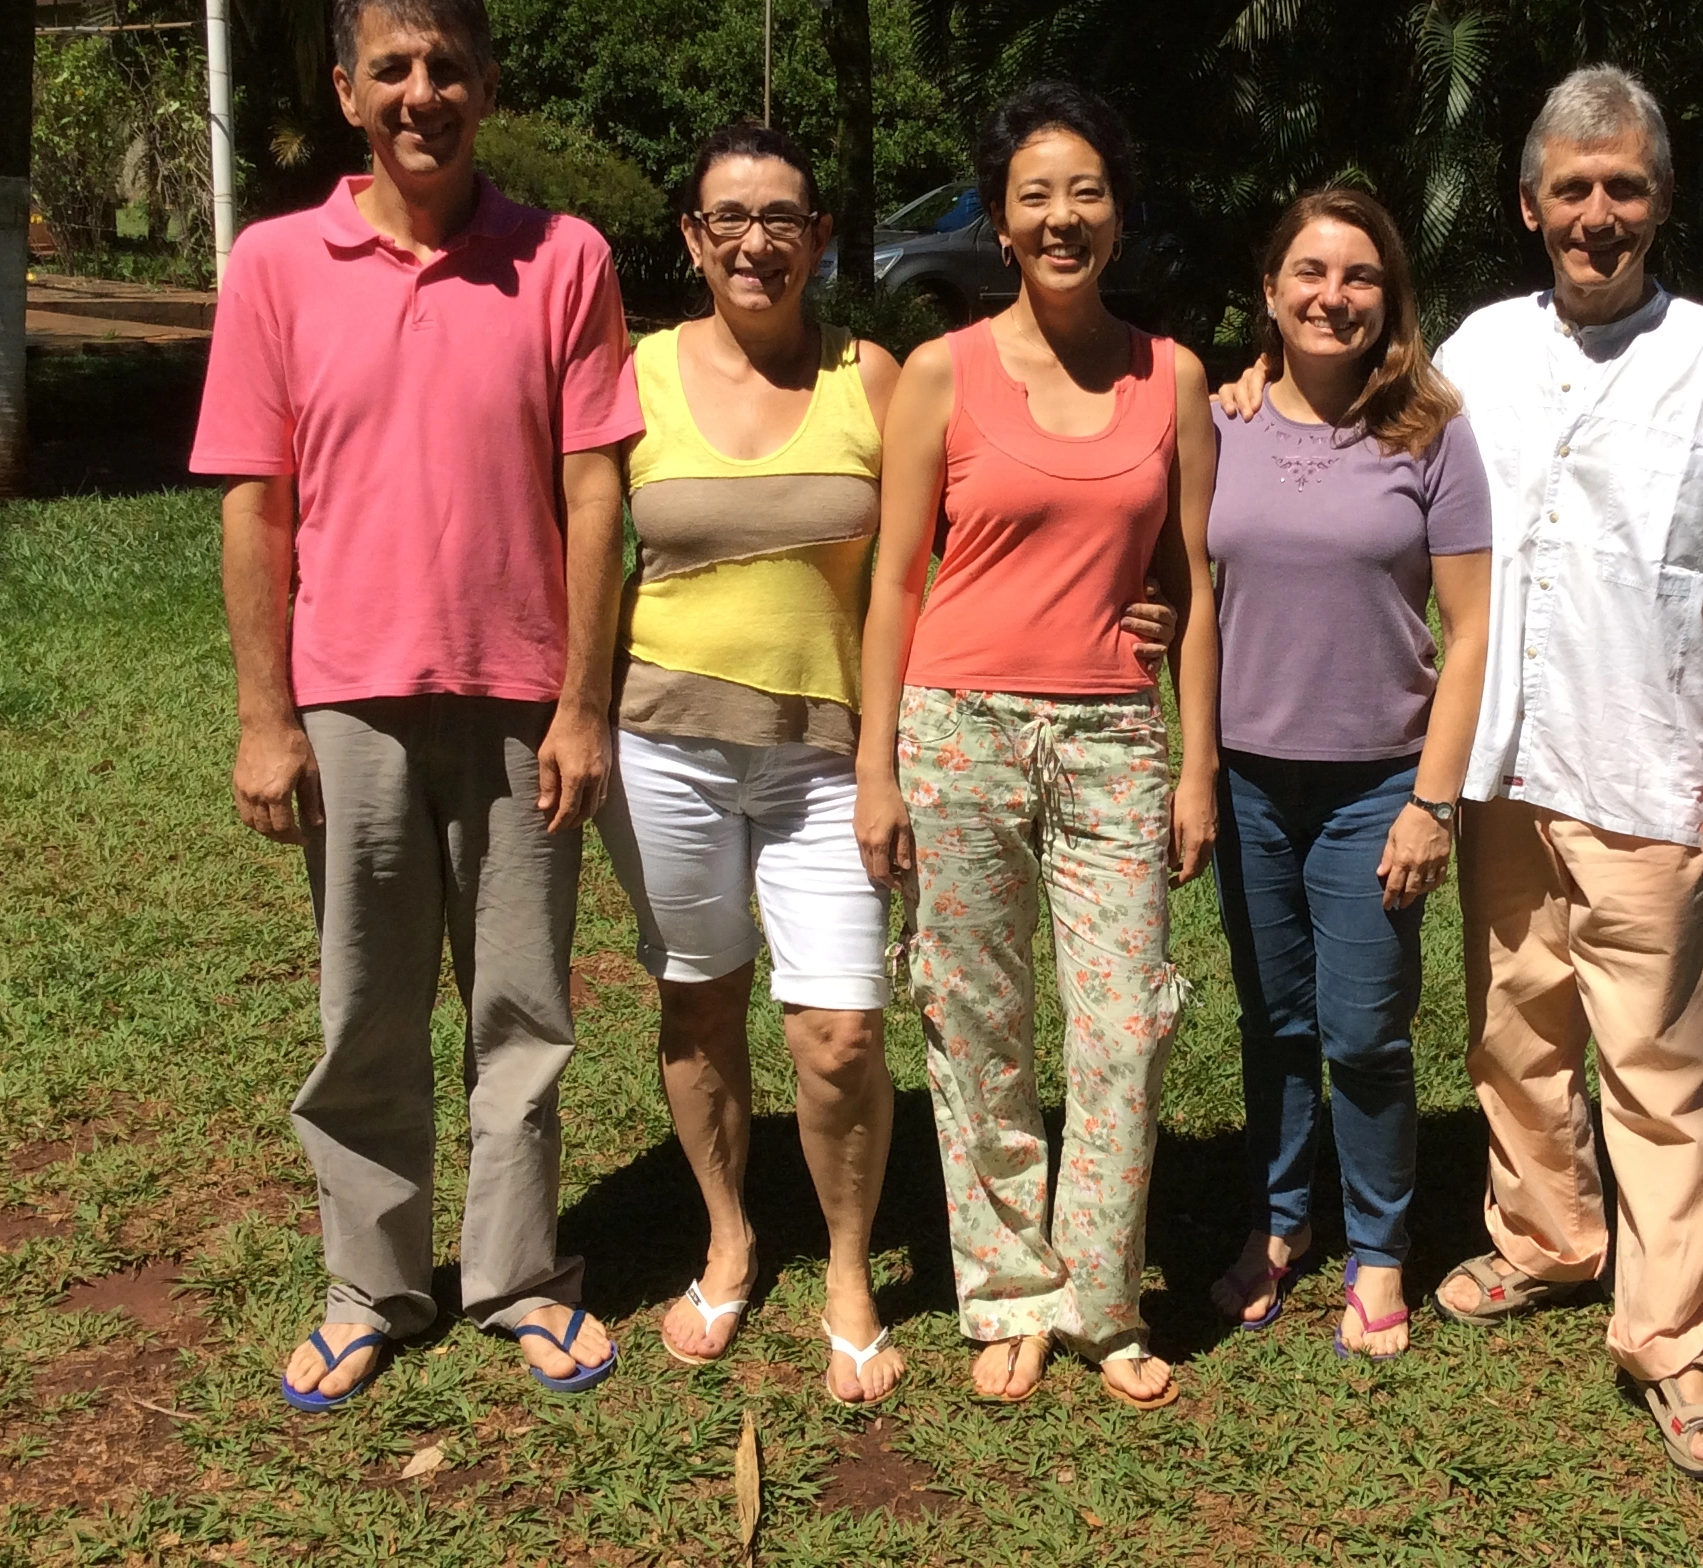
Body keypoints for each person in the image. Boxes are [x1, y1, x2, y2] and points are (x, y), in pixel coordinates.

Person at [1223, 64, 1703, 1478]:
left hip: (1650, 770)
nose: (1598, 215)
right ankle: (1547, 1236)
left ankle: (1671, 1341)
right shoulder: (1478, 350)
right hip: (1496, 773)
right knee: (1514, 1037)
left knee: (1657, 1069)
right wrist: (1246, 382)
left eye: (1625, 188)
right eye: (1572, 188)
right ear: (1529, 203)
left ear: (1661, 201)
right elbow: (1341, 415)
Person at [598, 122, 1177, 1406]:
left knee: (843, 1029)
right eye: (729, 217)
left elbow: (978, 536)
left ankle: (853, 1267)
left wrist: (1152, 603)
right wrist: (578, 714)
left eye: (783, 217)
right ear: (693, 236)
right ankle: (730, 1239)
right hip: (665, 742)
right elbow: (583, 539)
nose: (757, 241)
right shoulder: (633, 375)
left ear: (820, 236)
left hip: (828, 751)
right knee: (699, 1001)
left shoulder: (874, 375)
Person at [192, 0, 636, 1410]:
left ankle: (515, 1274)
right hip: (351, 700)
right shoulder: (274, 266)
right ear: (346, 92)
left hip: (520, 701)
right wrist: (265, 718)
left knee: (523, 1008)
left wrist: (583, 705)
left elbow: (595, 494)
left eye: (447, 66)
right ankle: (368, 1281)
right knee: (366, 1011)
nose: (422, 93)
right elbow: (255, 504)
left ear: (487, 85)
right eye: (392, 67)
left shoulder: (562, 258)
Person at [854, 82, 1220, 1411]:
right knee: (977, 1017)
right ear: (1000, 222)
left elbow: (1192, 583)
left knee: (1126, 1024)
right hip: (958, 730)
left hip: (1115, 737)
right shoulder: (942, 372)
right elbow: (896, 579)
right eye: (1035, 196)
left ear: (1118, 213)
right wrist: (878, 767)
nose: (1064, 218)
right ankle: (1008, 1286)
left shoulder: (1172, 377)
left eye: (1088, 193)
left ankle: (1102, 1296)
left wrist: (1197, 763)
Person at [1203, 188, 1492, 1362]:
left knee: (1365, 1031)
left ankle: (1378, 1246)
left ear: (1392, 297)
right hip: (1246, 781)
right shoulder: (1217, 423)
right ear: (1270, 291)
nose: (1335, 295)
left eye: (1361, 275)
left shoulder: (1432, 432)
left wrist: (1433, 801)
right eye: (1311, 273)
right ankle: (1279, 1223)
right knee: (1273, 1021)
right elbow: (1175, 581)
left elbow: (1472, 631)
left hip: (1378, 784)